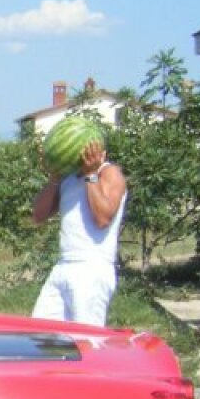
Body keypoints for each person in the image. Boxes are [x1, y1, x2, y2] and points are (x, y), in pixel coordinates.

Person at [31, 138, 128, 326]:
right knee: (41, 337)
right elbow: (38, 216)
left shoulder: (109, 173)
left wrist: (91, 175)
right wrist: (54, 178)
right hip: (63, 266)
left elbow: (103, 218)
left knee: (86, 342)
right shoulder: (68, 179)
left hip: (91, 268)